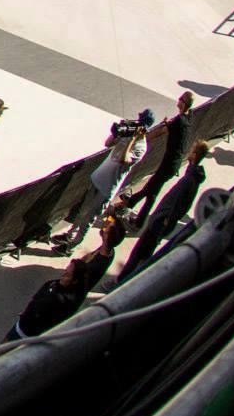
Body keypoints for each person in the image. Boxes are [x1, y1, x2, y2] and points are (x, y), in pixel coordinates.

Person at [50, 118, 149, 250]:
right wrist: (117, 133)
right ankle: (70, 235)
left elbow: (123, 159)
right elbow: (108, 144)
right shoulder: (127, 135)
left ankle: (71, 246)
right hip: (98, 178)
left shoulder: (141, 147)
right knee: (81, 212)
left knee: (88, 219)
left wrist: (131, 141)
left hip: (107, 188)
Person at [118, 141, 211, 280]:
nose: (189, 152)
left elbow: (180, 205)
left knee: (139, 252)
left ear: (195, 154)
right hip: (161, 221)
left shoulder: (189, 180)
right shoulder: (192, 177)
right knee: (144, 253)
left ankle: (122, 280)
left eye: (192, 150)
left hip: (160, 222)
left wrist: (164, 219)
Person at [115, 91, 195, 227]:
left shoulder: (179, 121)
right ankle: (133, 211)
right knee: (151, 192)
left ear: (184, 103)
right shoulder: (186, 118)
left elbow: (161, 132)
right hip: (172, 163)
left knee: (150, 191)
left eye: (181, 98)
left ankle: (130, 207)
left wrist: (140, 139)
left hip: (169, 164)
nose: (178, 99)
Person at [6, 258, 89, 341]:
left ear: (74, 281)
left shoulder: (61, 299)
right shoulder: (54, 284)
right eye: (65, 270)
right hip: (23, 325)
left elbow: (41, 308)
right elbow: (35, 299)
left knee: (3, 350)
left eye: (67, 274)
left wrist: (27, 314)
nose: (63, 275)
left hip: (26, 333)